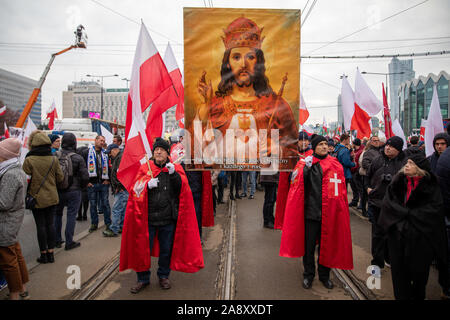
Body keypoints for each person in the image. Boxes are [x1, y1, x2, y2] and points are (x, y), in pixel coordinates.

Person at [194, 17, 298, 169]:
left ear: (258, 62)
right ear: (228, 62)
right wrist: (206, 107)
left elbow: (293, 148)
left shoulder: (276, 104)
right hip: (226, 176)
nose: (243, 64)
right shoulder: (215, 103)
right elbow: (196, 150)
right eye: (236, 57)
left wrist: (276, 150)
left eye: (250, 57)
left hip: (262, 175)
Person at [120, 137, 204, 293]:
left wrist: (174, 175)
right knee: (143, 249)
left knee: (166, 250)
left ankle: (163, 275)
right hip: (148, 219)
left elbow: (182, 190)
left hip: (167, 219)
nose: (158, 152)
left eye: (162, 150)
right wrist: (146, 185)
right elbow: (135, 189)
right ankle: (143, 278)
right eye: (156, 150)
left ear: (167, 153)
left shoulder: (175, 169)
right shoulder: (145, 168)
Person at [280, 134, 353, 289]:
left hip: (329, 213)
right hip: (311, 213)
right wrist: (304, 169)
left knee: (327, 245)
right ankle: (309, 274)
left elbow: (340, 192)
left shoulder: (335, 164)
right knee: (309, 246)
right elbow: (294, 185)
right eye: (320, 144)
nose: (324, 147)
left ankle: (324, 275)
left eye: (325, 144)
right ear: (314, 147)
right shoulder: (305, 164)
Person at [379, 153, 447, 300]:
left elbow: (434, 211)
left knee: (419, 274)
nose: (407, 166)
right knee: (399, 274)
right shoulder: (397, 182)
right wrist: (402, 219)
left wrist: (410, 216)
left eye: (411, 164)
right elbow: (388, 204)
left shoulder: (431, 186)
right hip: (398, 237)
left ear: (420, 169)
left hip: (420, 239)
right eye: (407, 163)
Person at [365, 136, 407, 269]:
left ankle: (389, 257)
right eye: (387, 145)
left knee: (392, 234)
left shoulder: (404, 163)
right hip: (377, 203)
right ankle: (377, 262)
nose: (388, 148)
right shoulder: (377, 159)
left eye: (392, 146)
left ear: (399, 149)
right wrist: (368, 189)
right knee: (377, 233)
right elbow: (367, 177)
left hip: (394, 205)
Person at [22, 131, 64, 264]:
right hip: (52, 196)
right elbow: (60, 178)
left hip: (36, 197)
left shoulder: (29, 160)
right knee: (50, 224)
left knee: (40, 226)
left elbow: (25, 178)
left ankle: (43, 254)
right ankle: (51, 253)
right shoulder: (53, 159)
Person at [0, 138, 30, 300]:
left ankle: (14, 294)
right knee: (16, 255)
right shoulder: (14, 170)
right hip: (11, 221)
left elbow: (4, 202)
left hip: (6, 222)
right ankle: (22, 289)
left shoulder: (10, 173)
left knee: (8, 260)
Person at [54, 133, 89, 250]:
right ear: (74, 142)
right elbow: (85, 176)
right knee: (71, 215)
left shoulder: (56, 156)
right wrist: (82, 187)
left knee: (57, 214)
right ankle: (69, 242)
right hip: (74, 190)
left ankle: (57, 240)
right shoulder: (78, 157)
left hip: (58, 190)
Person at [274, 131, 312, 230]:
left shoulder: (312, 153)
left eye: (306, 140)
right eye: (301, 140)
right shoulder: (291, 153)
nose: (304, 142)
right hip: (293, 188)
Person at [80, 135, 112, 233]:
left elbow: (110, 167)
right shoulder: (87, 152)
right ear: (96, 140)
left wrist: (108, 180)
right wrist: (86, 182)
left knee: (105, 204)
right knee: (93, 205)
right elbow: (83, 168)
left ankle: (108, 223)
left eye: (104, 141)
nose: (102, 142)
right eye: (101, 140)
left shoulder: (106, 153)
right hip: (92, 184)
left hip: (103, 183)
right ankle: (94, 224)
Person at [102, 144, 128, 237]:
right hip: (121, 188)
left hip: (120, 188)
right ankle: (120, 226)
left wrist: (118, 186)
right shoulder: (119, 157)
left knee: (117, 209)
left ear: (114, 150)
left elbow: (121, 174)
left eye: (109, 152)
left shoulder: (120, 158)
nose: (109, 155)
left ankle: (114, 229)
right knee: (121, 209)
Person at [436, 133, 450, 299]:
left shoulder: (443, 158)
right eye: (437, 143)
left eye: (442, 143)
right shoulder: (443, 160)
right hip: (444, 212)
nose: (440, 146)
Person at [360, 135, 383, 220]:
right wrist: (376, 169)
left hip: (378, 178)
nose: (376, 142)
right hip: (370, 177)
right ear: (371, 142)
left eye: (378, 140)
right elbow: (365, 164)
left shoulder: (381, 151)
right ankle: (368, 213)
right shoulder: (368, 152)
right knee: (367, 195)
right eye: (374, 140)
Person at [350, 138, 364, 209]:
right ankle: (355, 200)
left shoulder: (361, 151)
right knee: (354, 188)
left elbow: (358, 163)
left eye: (353, 143)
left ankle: (362, 203)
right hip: (352, 171)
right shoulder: (354, 151)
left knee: (360, 189)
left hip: (357, 172)